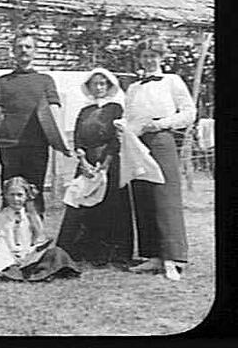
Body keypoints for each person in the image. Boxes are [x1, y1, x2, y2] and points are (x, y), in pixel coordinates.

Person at [120, 38, 196, 281]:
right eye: (144, 56)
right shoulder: (133, 88)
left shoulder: (172, 81)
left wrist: (161, 124)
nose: (149, 60)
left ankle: (173, 258)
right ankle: (152, 255)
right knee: (142, 194)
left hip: (162, 139)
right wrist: (124, 128)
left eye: (153, 55)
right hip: (137, 142)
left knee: (165, 196)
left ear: (161, 57)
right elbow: (129, 116)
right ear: (139, 59)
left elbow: (189, 113)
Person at [0, 34, 71, 223]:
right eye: (19, 47)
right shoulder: (2, 81)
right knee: (10, 193)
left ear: (35, 51)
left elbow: (54, 111)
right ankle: (9, 235)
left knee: (34, 193)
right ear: (13, 51)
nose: (23, 50)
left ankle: (36, 235)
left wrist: (62, 142)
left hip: (36, 146)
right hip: (8, 146)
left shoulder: (45, 80)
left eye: (28, 47)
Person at [56, 68, 134, 266]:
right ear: (89, 87)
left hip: (109, 161)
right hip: (87, 163)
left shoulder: (116, 109)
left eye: (102, 84)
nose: (98, 88)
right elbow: (78, 138)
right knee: (81, 203)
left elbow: (117, 138)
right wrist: (83, 163)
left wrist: (105, 164)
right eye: (94, 84)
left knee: (110, 206)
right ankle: (83, 250)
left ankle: (110, 252)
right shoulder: (85, 111)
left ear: (109, 86)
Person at [0, 177, 80, 282]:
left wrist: (32, 251)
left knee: (57, 252)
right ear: (5, 196)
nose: (15, 199)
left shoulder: (31, 216)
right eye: (12, 195)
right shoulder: (0, 217)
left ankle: (36, 271)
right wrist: (10, 254)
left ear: (26, 196)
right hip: (8, 257)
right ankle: (30, 273)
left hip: (28, 256)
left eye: (19, 195)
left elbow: (38, 241)